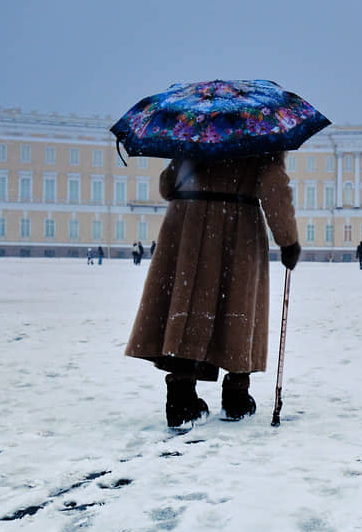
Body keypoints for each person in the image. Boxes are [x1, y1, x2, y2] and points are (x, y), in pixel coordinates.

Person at [124, 153, 300, 427]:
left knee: (189, 305)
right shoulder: (260, 136)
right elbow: (273, 188)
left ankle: (181, 396)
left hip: (189, 224)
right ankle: (236, 395)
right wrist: (288, 240)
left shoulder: (197, 133)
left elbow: (167, 186)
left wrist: (189, 160)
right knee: (238, 307)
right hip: (238, 225)